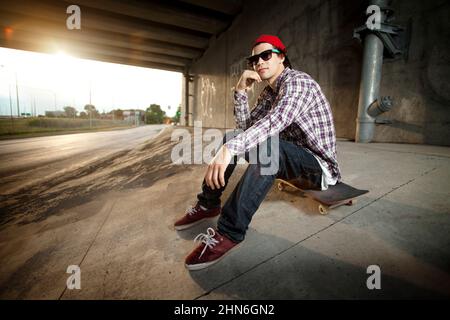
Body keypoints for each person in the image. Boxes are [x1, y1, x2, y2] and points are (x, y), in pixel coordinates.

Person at [174, 34, 342, 271]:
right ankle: (208, 204)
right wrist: (240, 92)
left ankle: (229, 232)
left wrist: (228, 150)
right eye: (254, 60)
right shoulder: (268, 93)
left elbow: (277, 120)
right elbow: (246, 130)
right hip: (288, 161)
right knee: (233, 137)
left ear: (282, 57)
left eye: (266, 55)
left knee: (267, 147)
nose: (259, 62)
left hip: (317, 168)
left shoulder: (298, 82)